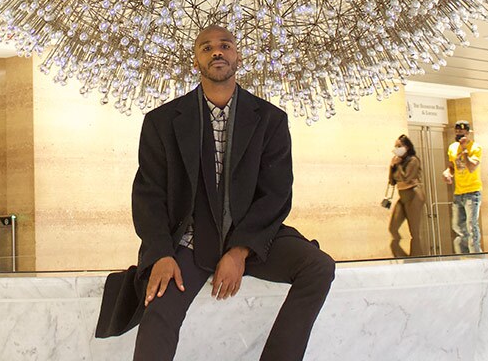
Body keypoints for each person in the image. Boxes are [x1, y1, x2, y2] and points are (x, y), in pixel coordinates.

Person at [130, 25, 336, 361]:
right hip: (190, 241)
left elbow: (277, 193)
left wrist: (239, 251)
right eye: (206, 47)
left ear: (237, 55)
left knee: (319, 267)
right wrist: (160, 253)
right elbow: (148, 195)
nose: (217, 52)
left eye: (225, 45)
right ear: (196, 60)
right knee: (158, 309)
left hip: (252, 239)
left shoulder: (270, 119)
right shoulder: (162, 121)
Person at [443, 120, 483, 254]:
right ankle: (464, 257)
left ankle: (477, 258)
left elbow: (471, 167)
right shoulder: (452, 147)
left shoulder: (475, 148)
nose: (459, 133)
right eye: (457, 131)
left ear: (468, 132)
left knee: (471, 227)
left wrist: (465, 150)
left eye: (462, 131)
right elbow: (452, 166)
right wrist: (448, 173)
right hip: (458, 192)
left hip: (472, 192)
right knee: (458, 227)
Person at [387, 134, 425, 258]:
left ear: (407, 147)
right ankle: (406, 259)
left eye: (399, 146)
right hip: (402, 195)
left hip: (413, 194)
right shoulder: (397, 161)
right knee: (393, 228)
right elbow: (392, 181)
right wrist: (392, 166)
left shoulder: (413, 160)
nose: (396, 148)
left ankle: (417, 260)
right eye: (395, 146)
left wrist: (397, 165)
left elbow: (407, 178)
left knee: (414, 231)